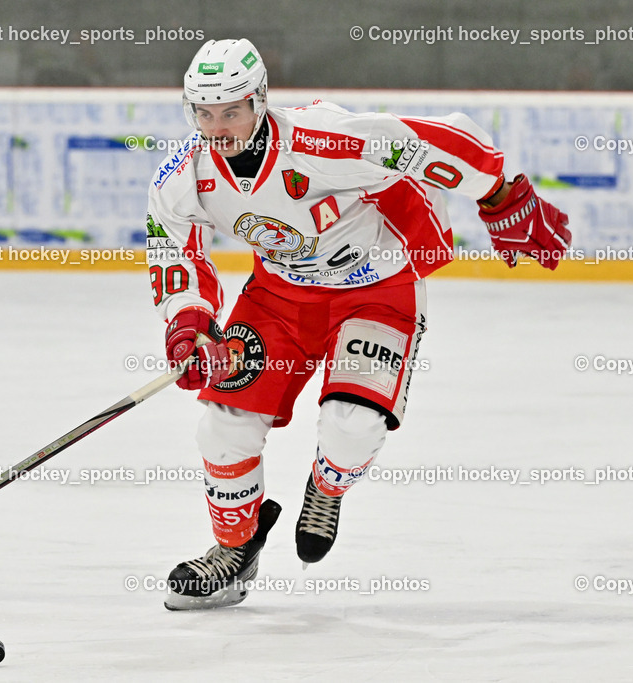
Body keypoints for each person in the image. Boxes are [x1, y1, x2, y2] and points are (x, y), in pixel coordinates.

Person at [147, 38, 570, 610]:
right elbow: (176, 251)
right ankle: (233, 552)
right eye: (205, 113)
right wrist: (191, 326)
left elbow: (430, 140)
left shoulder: (323, 140)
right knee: (222, 427)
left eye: (231, 111)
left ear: (261, 101)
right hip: (279, 299)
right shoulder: (184, 177)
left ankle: (327, 485)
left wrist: (499, 195)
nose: (218, 127)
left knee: (351, 425)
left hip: (377, 289)